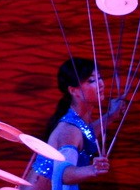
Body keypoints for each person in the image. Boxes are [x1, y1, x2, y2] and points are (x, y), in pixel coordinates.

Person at [25, 57, 115, 189]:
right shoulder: (68, 129)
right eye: (91, 80)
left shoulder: (76, 121)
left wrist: (112, 115)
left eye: (99, 78)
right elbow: (63, 174)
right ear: (73, 90)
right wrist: (93, 169)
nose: (100, 84)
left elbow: (86, 135)